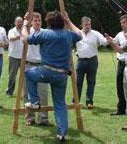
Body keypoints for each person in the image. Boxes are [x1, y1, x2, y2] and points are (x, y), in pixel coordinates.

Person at [22, 11, 82, 142]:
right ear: (62, 22)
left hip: (46, 71)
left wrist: (24, 25)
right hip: (62, 75)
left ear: (49, 22)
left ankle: (35, 102)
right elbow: (80, 34)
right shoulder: (67, 34)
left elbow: (25, 39)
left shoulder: (45, 33)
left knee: (28, 73)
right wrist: (69, 21)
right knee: (60, 104)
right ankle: (62, 133)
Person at [24, 12, 52, 126]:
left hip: (42, 65)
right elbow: (23, 34)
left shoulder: (45, 32)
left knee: (43, 92)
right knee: (27, 93)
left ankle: (43, 118)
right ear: (31, 22)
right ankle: (29, 118)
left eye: (39, 20)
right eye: (35, 20)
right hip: (29, 64)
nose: (37, 22)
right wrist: (25, 21)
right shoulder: (27, 31)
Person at [75, 17, 107, 109]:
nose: (88, 26)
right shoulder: (77, 33)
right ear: (82, 25)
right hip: (80, 60)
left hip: (92, 60)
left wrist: (108, 40)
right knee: (78, 82)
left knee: (91, 82)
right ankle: (76, 101)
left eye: (89, 24)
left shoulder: (95, 33)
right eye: (86, 24)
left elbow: (104, 42)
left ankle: (89, 101)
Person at [110, 14, 127, 116]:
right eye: (121, 23)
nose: (122, 25)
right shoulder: (119, 34)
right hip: (121, 63)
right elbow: (114, 45)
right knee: (120, 86)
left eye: (124, 22)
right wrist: (111, 41)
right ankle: (121, 109)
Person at [6, 16, 24, 97]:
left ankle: (25, 93)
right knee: (12, 75)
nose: (20, 23)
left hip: (24, 56)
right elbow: (11, 38)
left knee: (25, 76)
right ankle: (9, 92)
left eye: (21, 22)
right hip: (13, 56)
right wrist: (19, 36)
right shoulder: (12, 31)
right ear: (15, 22)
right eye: (18, 22)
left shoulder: (25, 31)